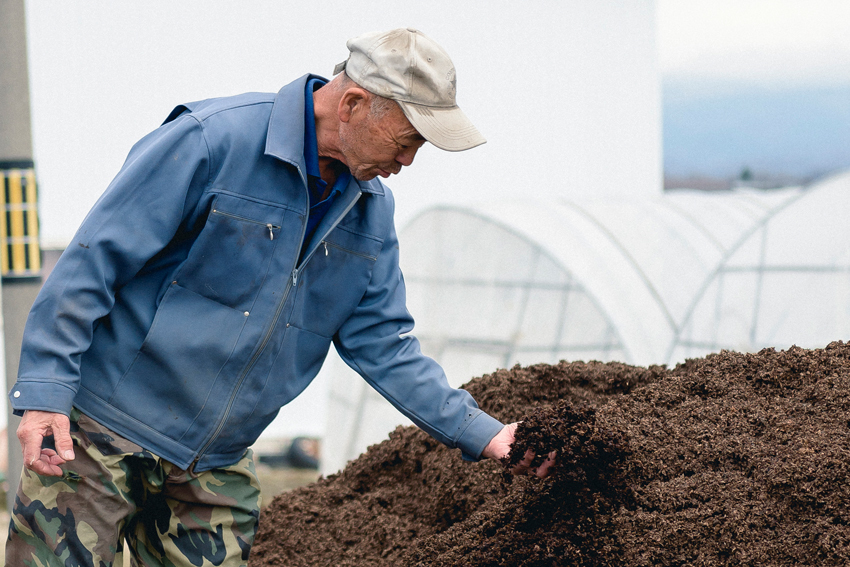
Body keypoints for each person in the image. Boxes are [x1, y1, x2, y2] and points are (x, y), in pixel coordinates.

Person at [6, 28, 554, 566]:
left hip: (213, 465)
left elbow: (385, 344)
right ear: (355, 103)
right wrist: (46, 391)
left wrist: (485, 435)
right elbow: (91, 263)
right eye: (408, 140)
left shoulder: (370, 213)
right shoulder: (211, 141)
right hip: (98, 433)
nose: (408, 162)